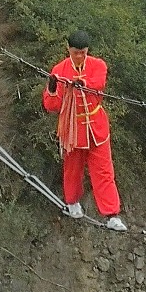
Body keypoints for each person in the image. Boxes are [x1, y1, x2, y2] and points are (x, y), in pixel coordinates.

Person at [43, 32, 127, 231]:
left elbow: (99, 83)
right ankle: (72, 203)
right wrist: (52, 89)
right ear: (68, 49)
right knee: (72, 169)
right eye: (76, 52)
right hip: (72, 128)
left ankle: (112, 215)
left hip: (96, 127)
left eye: (83, 52)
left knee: (104, 171)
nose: (80, 56)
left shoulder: (98, 65)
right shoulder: (59, 70)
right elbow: (52, 106)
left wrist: (84, 84)